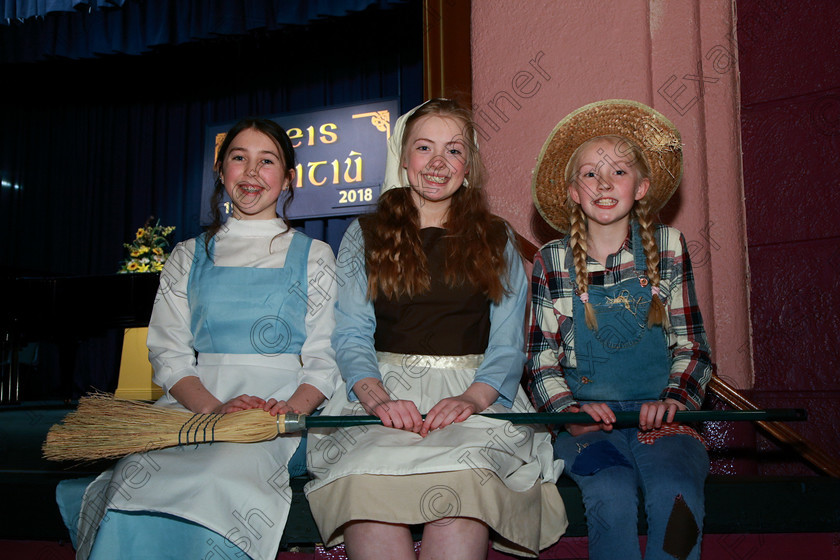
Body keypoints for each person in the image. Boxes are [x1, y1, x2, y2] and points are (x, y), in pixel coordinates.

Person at [62, 118, 339, 560]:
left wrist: (290, 410)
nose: (251, 173)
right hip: (196, 406)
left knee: (219, 473)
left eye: (266, 161)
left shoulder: (317, 257)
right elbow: (168, 352)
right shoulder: (188, 254)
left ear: (288, 178)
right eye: (239, 158)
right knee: (137, 473)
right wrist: (212, 411)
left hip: (276, 412)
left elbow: (326, 357)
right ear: (221, 170)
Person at [305, 98, 567, 560]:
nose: (439, 163)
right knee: (370, 490)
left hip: (475, 396)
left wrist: (472, 398)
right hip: (382, 393)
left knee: (462, 491)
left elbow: (507, 345)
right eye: (425, 148)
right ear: (403, 159)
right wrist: (377, 397)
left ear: (469, 165)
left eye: (454, 150)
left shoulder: (498, 237)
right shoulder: (362, 235)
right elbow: (350, 335)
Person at [526, 99, 713, 560]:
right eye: (590, 173)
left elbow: (692, 344)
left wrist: (675, 400)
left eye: (619, 172)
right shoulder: (550, 261)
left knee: (676, 492)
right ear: (573, 190)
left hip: (664, 422)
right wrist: (569, 411)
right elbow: (538, 356)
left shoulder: (668, 248)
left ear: (642, 187)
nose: (604, 183)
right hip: (588, 425)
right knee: (610, 493)